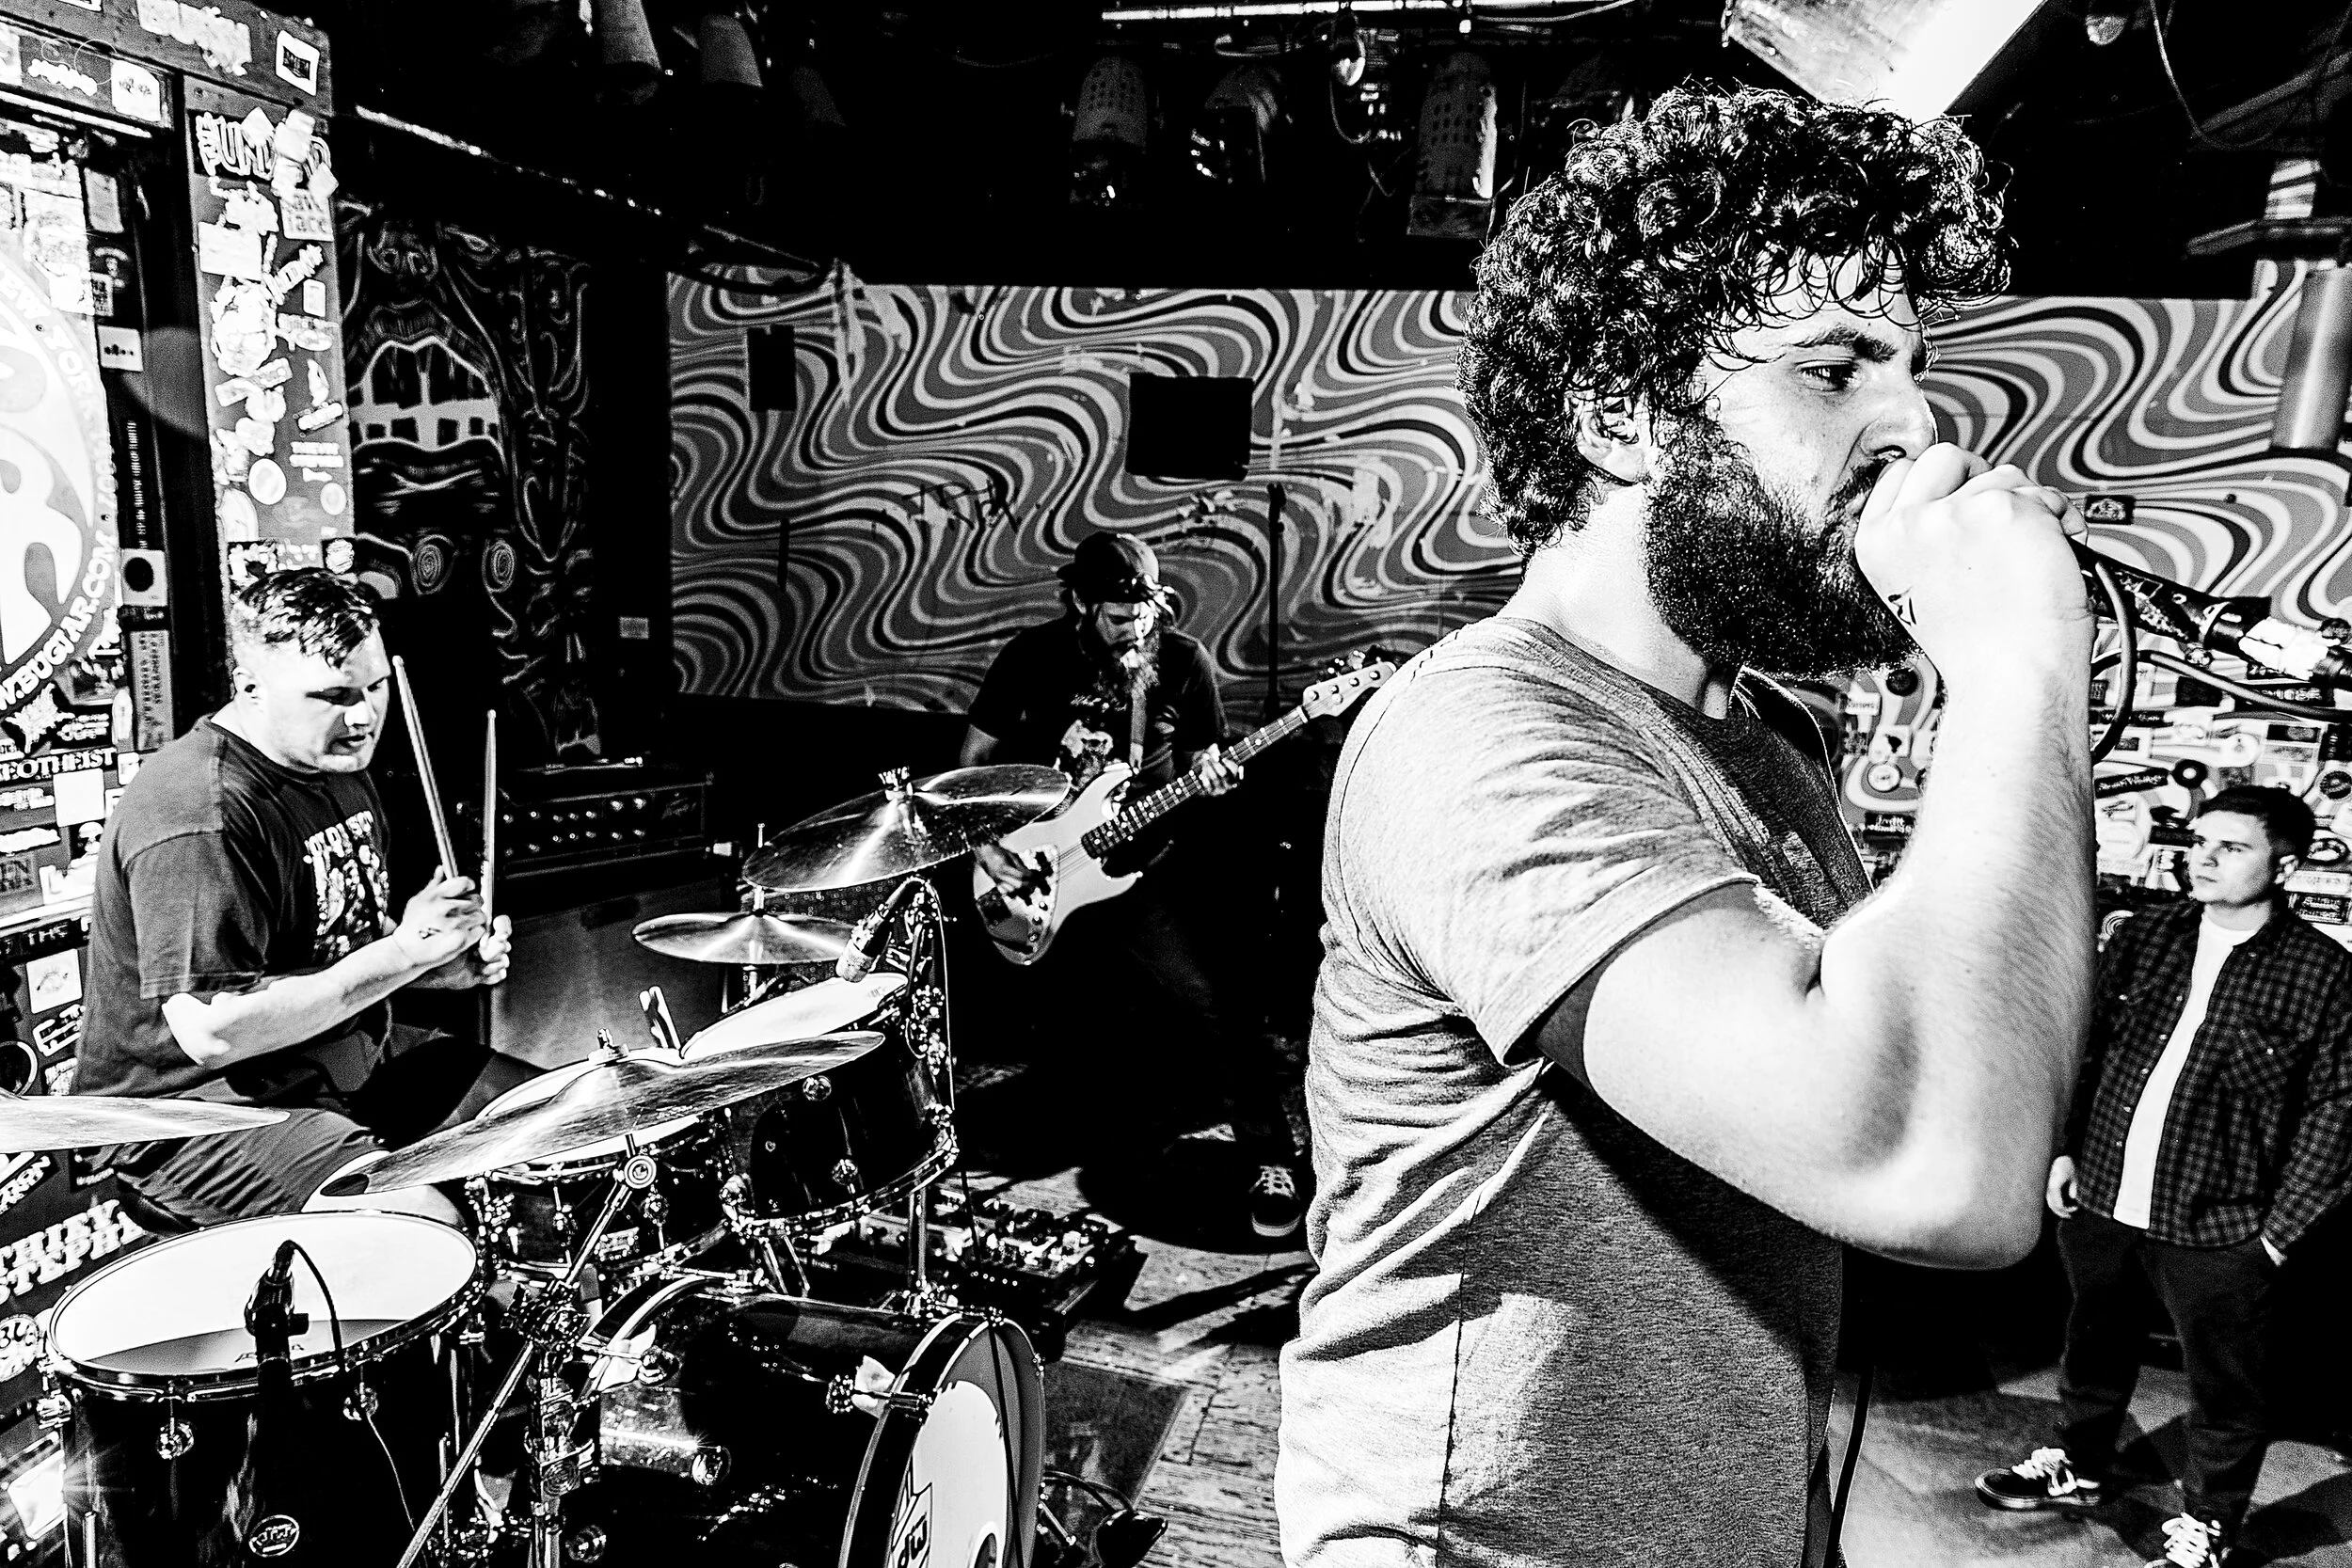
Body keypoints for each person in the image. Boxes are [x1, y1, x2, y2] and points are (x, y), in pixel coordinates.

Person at [1276, 83, 2096, 1567]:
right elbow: (1932, 1165)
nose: (1914, 424)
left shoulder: (1775, 742)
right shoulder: (1484, 732)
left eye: (1913, 366)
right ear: (1617, 412)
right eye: (1833, 367)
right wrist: (2022, 662)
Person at [75, 567, 529, 1227]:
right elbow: (214, 1031)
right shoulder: (199, 812)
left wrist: (439, 963)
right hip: (199, 1111)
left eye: (376, 687)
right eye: (334, 695)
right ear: (251, 688)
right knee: (419, 1226)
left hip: (336, 1059)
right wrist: (405, 955)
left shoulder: (335, 764)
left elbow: (335, 949)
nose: (364, 716)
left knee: (558, 1128)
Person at [1976, 786, 2352, 1568]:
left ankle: (2209, 1525)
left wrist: (2279, 1234)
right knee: (2094, 1340)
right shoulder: (2147, 935)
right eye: (2198, 841)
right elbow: (2092, 1045)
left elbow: (2338, 1109)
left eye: (2231, 847)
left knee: (2227, 1389)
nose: (2202, 858)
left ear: (2286, 865)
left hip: (2224, 1221)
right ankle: (2078, 1463)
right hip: (2106, 1192)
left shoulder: (2323, 973)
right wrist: (2067, 1148)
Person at [962, 530, 1306, 1239]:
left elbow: (1205, 754)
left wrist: (1213, 775)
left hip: (1148, 867)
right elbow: (972, 762)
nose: (1135, 628)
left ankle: (1271, 1157)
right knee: (1058, 1023)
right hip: (1041, 865)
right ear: (1080, 604)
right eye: (1119, 617)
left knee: (1218, 1002)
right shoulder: (1031, 657)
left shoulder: (1182, 660)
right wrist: (987, 849)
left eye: (1144, 614)